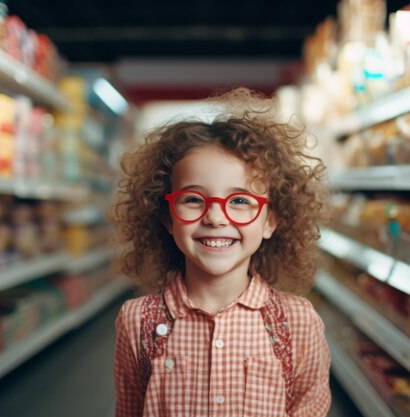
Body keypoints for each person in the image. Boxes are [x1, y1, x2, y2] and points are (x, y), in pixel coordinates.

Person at [112, 88, 331, 417]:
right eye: (193, 199)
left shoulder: (296, 322)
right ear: (168, 218)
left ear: (271, 221)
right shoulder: (138, 321)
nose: (215, 217)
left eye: (241, 201)